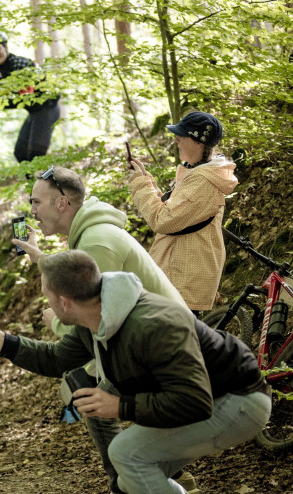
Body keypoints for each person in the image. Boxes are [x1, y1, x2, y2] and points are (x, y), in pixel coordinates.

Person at [0, 250, 270, 494]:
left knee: (126, 453)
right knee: (128, 482)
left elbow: (194, 401)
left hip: (238, 401)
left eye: (48, 297)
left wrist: (120, 406)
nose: (48, 304)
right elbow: (56, 359)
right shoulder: (97, 317)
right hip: (210, 401)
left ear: (64, 302)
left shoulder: (153, 325)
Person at [12, 165, 190, 491]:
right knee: (87, 388)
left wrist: (54, 321)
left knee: (86, 391)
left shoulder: (96, 242)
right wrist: (39, 257)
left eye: (37, 203)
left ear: (62, 203)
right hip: (148, 343)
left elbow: (93, 318)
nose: (32, 211)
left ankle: (123, 484)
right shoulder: (90, 235)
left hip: (164, 350)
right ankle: (166, 477)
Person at [128, 112, 236, 314]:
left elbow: (163, 220)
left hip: (184, 279)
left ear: (199, 142)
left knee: (172, 343)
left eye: (182, 135)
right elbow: (173, 211)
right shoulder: (196, 174)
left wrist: (140, 185)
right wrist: (146, 179)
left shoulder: (202, 181)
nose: (176, 139)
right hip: (178, 275)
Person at [0, 30, 62, 164]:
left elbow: (25, 99)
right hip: (34, 112)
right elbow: (4, 100)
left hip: (47, 108)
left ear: (6, 47)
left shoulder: (21, 65)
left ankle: (50, 184)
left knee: (36, 154)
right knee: (21, 153)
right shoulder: (0, 71)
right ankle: (34, 184)